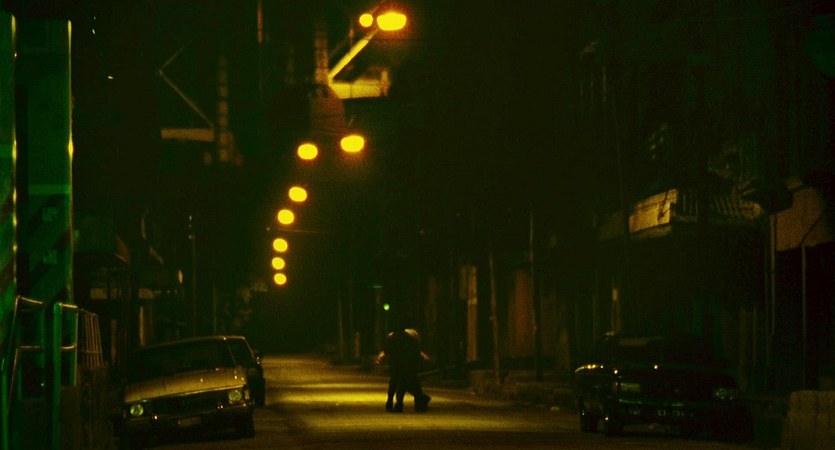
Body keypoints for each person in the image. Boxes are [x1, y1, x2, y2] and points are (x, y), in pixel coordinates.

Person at [376, 326, 431, 412]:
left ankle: (399, 403)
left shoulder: (393, 337)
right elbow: (416, 350)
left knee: (397, 383)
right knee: (408, 384)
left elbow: (387, 350)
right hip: (408, 364)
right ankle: (419, 400)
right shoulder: (411, 338)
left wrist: (382, 357)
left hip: (398, 363)